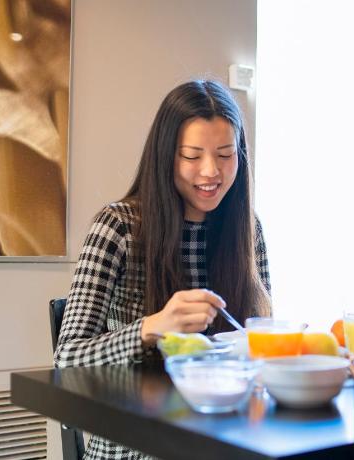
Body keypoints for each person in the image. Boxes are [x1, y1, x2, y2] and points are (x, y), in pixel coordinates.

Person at [54, 79, 271, 459]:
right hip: (133, 446)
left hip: (222, 439)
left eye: (225, 154)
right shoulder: (118, 227)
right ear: (165, 155)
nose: (211, 171)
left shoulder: (246, 231)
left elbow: (260, 344)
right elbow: (66, 360)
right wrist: (152, 327)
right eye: (192, 156)